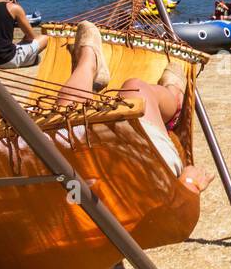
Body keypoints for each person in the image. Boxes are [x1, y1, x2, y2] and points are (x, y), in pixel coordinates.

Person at [58, 20, 212, 193]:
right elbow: (177, 213)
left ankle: (88, 63)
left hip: (61, 162)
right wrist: (190, 182)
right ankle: (174, 99)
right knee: (136, 88)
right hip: (140, 166)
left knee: (63, 121)